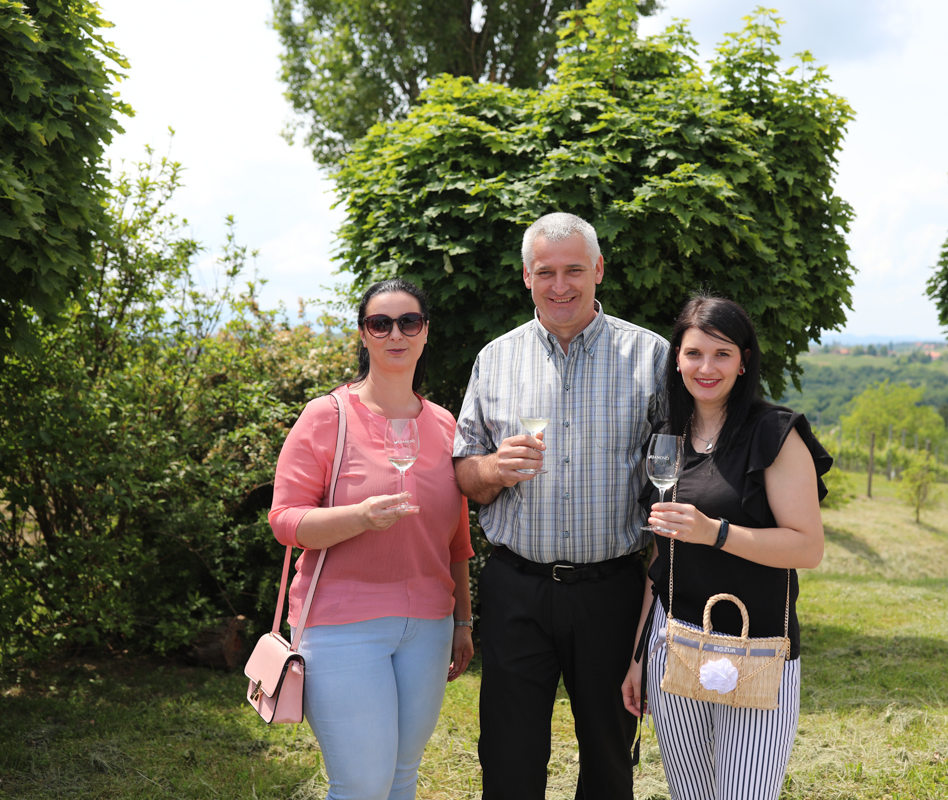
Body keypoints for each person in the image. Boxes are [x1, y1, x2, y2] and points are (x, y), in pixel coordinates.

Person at [453, 212, 669, 799]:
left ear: (598, 269)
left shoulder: (651, 357)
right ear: (526, 276)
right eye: (545, 271)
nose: (560, 285)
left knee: (608, 755)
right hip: (516, 588)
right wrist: (494, 468)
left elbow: (676, 477)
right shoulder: (495, 359)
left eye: (574, 269)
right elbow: (464, 475)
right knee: (507, 753)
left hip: (613, 590)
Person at [269, 278, 475, 800]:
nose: (395, 334)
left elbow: (457, 541)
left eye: (409, 322)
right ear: (364, 335)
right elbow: (285, 520)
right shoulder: (327, 416)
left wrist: (463, 620)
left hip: (428, 628)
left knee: (402, 777)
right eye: (379, 324)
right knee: (362, 784)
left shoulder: (446, 425)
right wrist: (358, 517)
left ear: (425, 333)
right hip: (342, 626)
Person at [620, 295, 830, 800]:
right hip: (676, 644)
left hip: (757, 650)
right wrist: (637, 657)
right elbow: (660, 556)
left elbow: (807, 547)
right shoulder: (667, 437)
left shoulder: (774, 434)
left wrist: (716, 531)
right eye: (694, 353)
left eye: (721, 353)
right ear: (677, 359)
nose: (706, 367)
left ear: (744, 360)